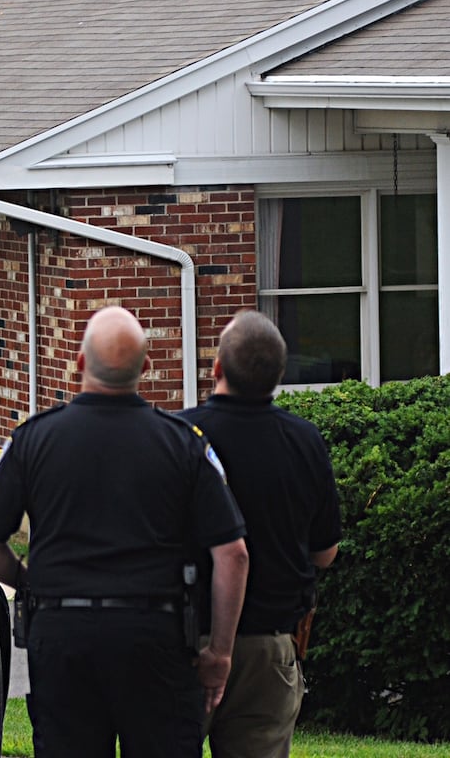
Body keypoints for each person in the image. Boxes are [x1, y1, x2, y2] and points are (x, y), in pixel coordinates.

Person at [0, 305, 249, 758]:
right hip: (155, 637)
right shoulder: (184, 443)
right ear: (147, 368)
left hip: (62, 635)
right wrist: (219, 653)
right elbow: (232, 554)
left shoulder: (33, 440)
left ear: (79, 363)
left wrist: (27, 578)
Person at [178, 309, 341, 758]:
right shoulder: (306, 441)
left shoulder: (179, 436)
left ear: (216, 367)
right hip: (271, 647)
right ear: (279, 375)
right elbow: (325, 554)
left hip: (183, 640)